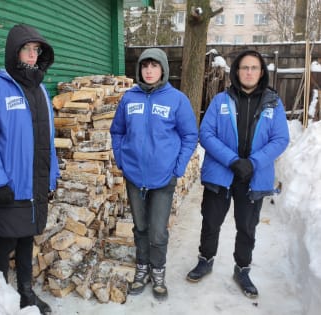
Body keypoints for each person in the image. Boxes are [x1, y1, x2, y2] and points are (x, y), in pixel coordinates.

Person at [186, 50, 290, 298]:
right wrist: (232, 160)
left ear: (261, 72)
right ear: (236, 71)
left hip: (253, 177)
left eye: (254, 68)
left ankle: (242, 269)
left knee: (247, 226)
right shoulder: (221, 100)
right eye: (245, 67)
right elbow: (206, 133)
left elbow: (280, 139)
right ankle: (205, 259)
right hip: (221, 173)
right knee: (211, 221)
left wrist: (252, 163)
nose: (249, 72)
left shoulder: (273, 103)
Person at [0, 24, 59, 314]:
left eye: (37, 50)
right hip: (10, 184)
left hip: (34, 184)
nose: (32, 55)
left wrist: (51, 176)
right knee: (7, 240)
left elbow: (47, 139)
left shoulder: (41, 89)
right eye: (27, 49)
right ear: (14, 51)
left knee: (27, 238)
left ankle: (25, 293)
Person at [110, 48, 198, 300]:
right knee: (140, 227)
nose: (149, 70)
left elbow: (190, 135)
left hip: (163, 178)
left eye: (154, 65)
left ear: (163, 69)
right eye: (145, 66)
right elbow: (117, 131)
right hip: (134, 176)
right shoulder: (129, 98)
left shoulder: (177, 99)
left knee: (157, 231)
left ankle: (157, 271)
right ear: (139, 69)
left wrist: (178, 167)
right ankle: (142, 269)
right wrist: (122, 160)